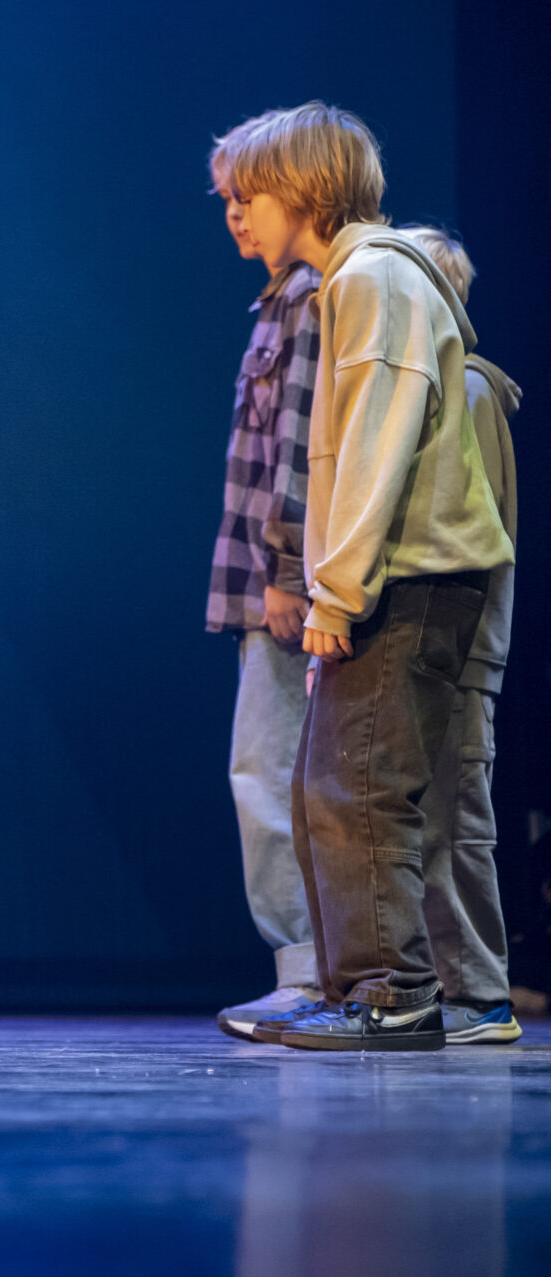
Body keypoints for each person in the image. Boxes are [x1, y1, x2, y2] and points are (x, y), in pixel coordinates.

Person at [220, 104, 514, 1051]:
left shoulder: (374, 277)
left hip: (410, 577)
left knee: (363, 791)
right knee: (327, 792)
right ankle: (358, 988)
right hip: (387, 577)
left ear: (302, 188)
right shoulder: (349, 280)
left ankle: (396, 993)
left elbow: (373, 452)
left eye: (249, 194)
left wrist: (334, 594)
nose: (235, 213)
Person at [202, 114, 323, 1041]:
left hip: (292, 587)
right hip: (266, 585)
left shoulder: (314, 299)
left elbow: (301, 445)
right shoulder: (279, 299)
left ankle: (309, 974)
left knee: (270, 773)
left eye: (248, 198)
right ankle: (314, 970)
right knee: (273, 773)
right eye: (227, 201)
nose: (235, 217)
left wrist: (285, 569)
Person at [401, 226, 524, 1045]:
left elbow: (471, 536)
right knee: (428, 824)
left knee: (455, 823)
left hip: (461, 649)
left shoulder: (469, 391)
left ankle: (480, 994)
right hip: (438, 650)